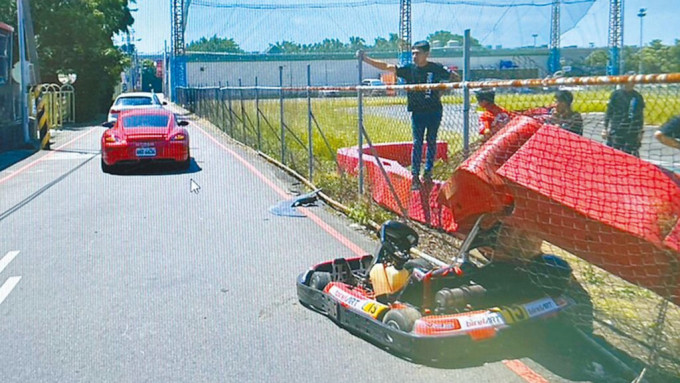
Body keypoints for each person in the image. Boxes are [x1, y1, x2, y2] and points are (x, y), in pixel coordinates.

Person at [358, 41, 460, 190]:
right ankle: (415, 176)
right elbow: (387, 67)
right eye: (413, 53)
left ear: (426, 54)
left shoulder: (435, 68)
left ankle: (428, 172)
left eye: (417, 53)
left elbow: (455, 77)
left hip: (434, 111)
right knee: (417, 143)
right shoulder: (408, 69)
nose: (414, 56)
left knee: (431, 141)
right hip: (418, 112)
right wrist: (366, 59)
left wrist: (441, 90)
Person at [602, 83, 645, 157]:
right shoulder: (616, 94)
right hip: (617, 129)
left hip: (632, 130)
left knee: (630, 153)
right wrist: (605, 128)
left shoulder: (637, 96)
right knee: (614, 153)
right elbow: (609, 112)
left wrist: (641, 131)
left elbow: (640, 116)